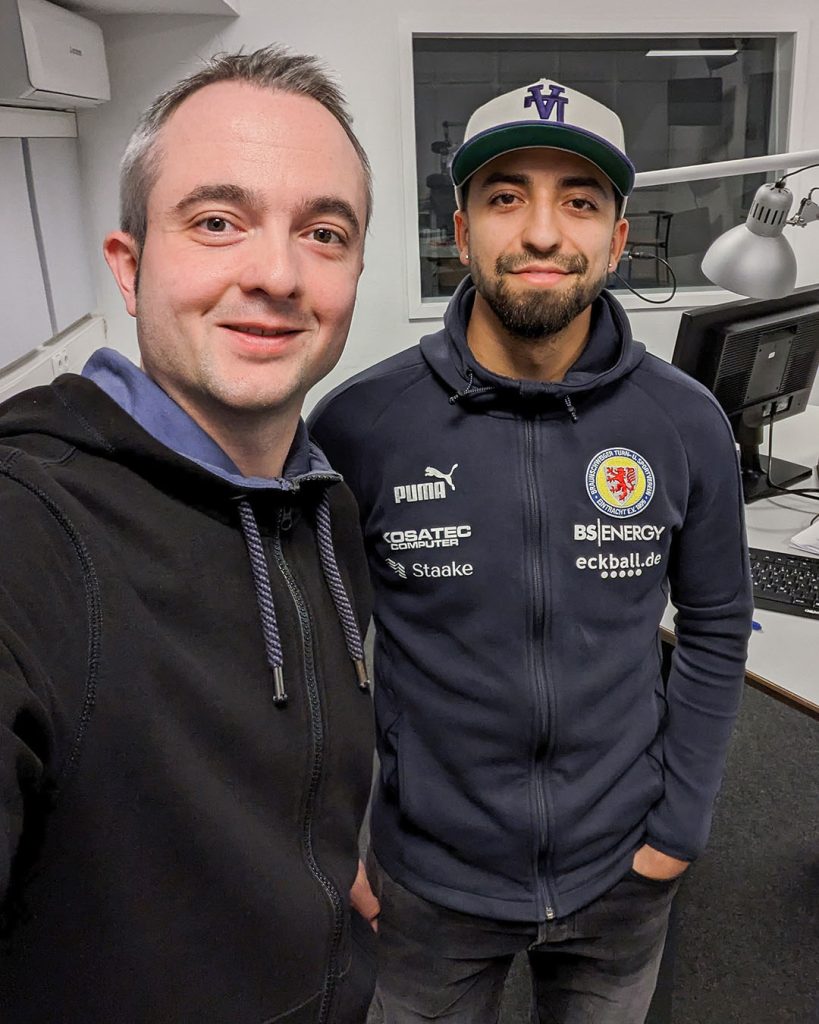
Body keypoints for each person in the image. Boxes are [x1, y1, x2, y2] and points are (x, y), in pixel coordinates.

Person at [309, 78, 753, 1023]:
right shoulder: (359, 425)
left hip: (621, 874)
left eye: (579, 202)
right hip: (424, 883)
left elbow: (715, 625)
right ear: (460, 233)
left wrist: (678, 827)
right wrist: (329, 831)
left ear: (618, 241)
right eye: (505, 197)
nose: (543, 232)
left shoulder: (683, 424)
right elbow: (318, 653)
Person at [0, 46, 379, 1023]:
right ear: (129, 268)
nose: (277, 273)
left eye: (324, 233)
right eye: (217, 222)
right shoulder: (33, 528)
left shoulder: (324, 501)